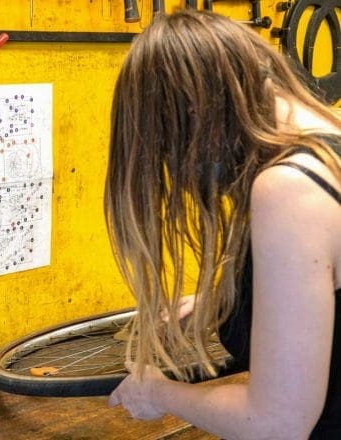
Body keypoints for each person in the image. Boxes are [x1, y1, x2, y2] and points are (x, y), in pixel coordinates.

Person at [103, 9, 341, 439]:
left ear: (193, 118)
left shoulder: (289, 187)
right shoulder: (329, 140)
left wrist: (158, 393)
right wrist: (234, 299)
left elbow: (275, 425)